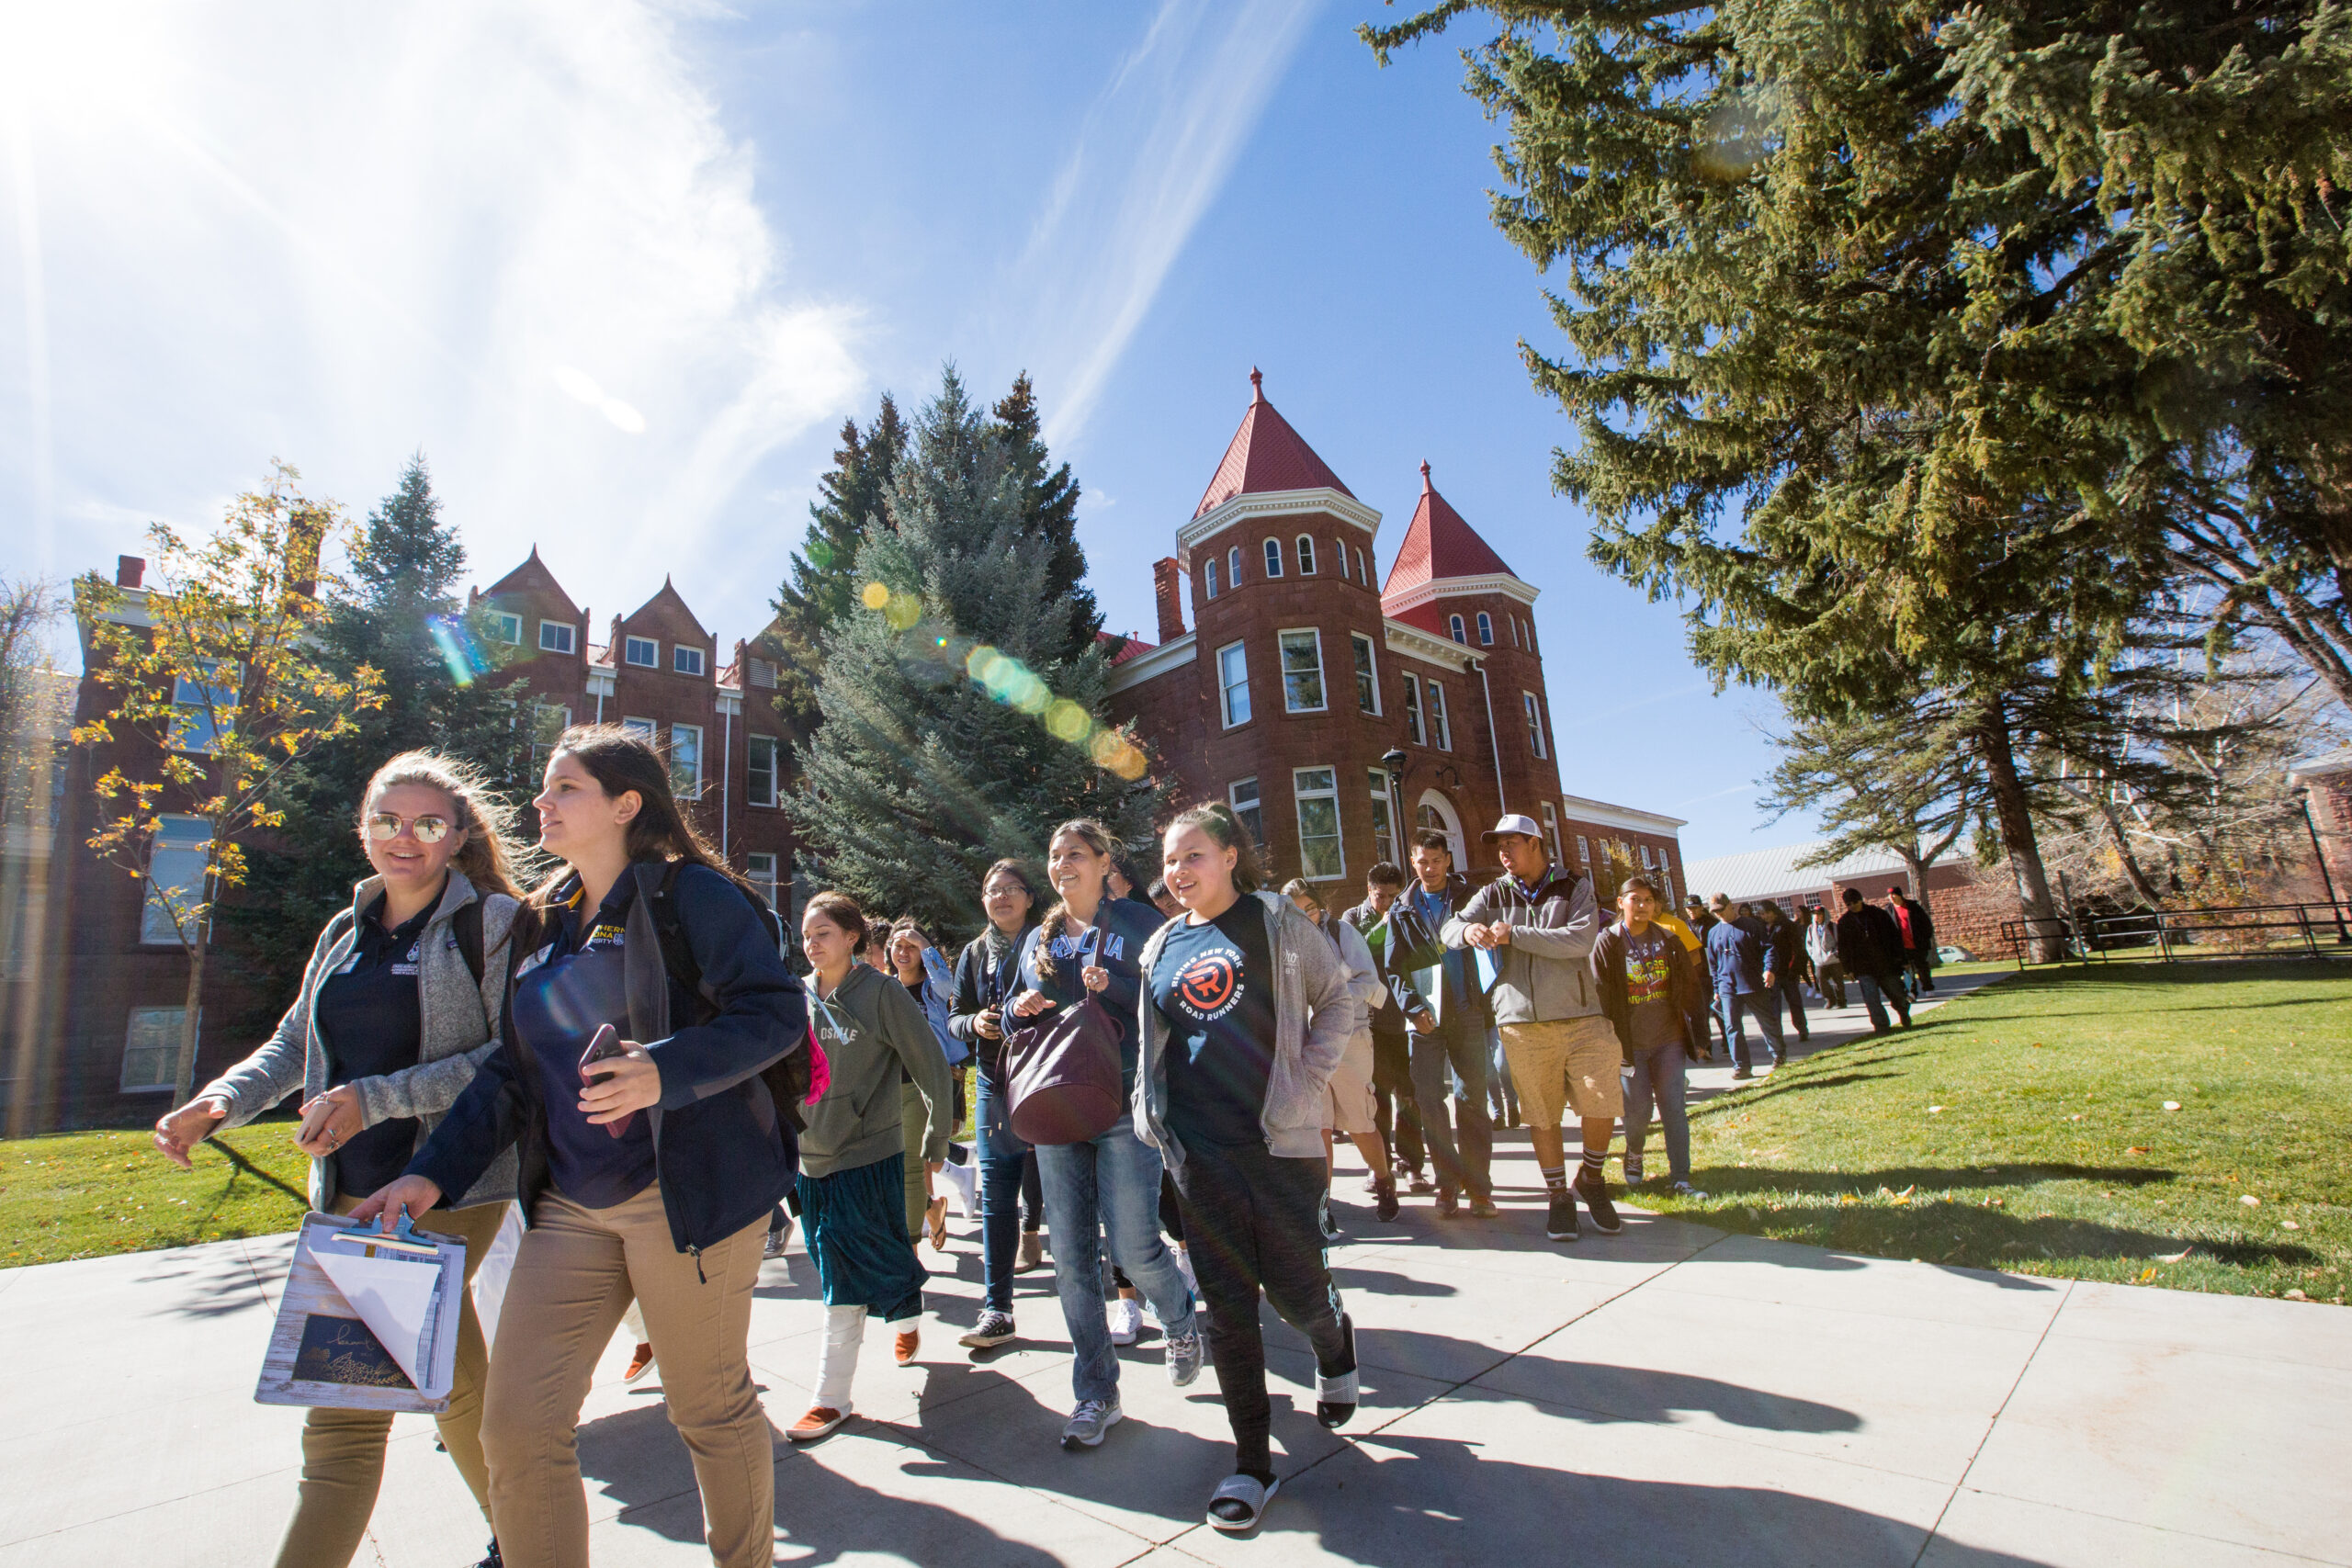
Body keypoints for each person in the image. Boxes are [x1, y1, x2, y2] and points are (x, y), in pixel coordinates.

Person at [354, 726, 805, 1568]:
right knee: (516, 1425)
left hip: (682, 1201)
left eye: (564, 788)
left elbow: (776, 1015)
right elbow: (511, 1073)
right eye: (545, 788)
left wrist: (660, 1072)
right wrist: (428, 1174)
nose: (541, 802)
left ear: (625, 805)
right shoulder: (543, 920)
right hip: (569, 1206)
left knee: (709, 1410)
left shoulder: (693, 897)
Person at [152, 753, 525, 1568]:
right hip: (349, 1190)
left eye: (428, 823)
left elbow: (512, 1059)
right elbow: (295, 1043)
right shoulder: (344, 928)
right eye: (388, 819)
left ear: (458, 835)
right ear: (363, 826)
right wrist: (219, 1101)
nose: (405, 837)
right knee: (457, 1383)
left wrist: (374, 1097)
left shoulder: (490, 922)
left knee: (344, 1420)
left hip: (448, 1183)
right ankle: (531, 1536)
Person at [1137, 802, 1362, 1534]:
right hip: (1199, 1153)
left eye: (1193, 855)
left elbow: (1338, 1001)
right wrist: (1151, 1113)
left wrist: (1306, 1082)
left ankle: (1335, 1343)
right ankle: (1250, 1462)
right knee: (1228, 1308)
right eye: (1170, 860)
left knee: (1298, 1293)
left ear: (1230, 855)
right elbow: (1156, 1043)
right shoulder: (1161, 946)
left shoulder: (1276, 923)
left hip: (1278, 1146)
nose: (1178, 871)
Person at [1006, 819, 1202, 1450]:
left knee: (1136, 1245)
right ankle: (1096, 1390)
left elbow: (1173, 1000)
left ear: (1102, 861)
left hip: (1120, 1102)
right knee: (1070, 1257)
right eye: (1055, 854)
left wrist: (1114, 985)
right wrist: (1018, 1009)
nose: (1062, 864)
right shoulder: (1041, 936)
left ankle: (1179, 1317)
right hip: (1058, 1106)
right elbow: (1008, 1004)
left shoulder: (1139, 926)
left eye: (1075, 854)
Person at [786, 891, 952, 1440]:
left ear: (853, 937)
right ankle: (905, 1303)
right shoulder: (798, 995)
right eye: (806, 935)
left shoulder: (879, 992)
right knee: (839, 1258)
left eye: (823, 933)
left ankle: (830, 1398)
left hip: (866, 1152)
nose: (812, 944)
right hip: (810, 1156)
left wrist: (936, 1134)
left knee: (841, 1275)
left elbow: (929, 1061)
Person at [1446, 814, 1617, 1243]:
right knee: (1541, 1114)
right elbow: (1447, 929)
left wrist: (1514, 935)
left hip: (1582, 1017)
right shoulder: (1492, 892)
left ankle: (1592, 1178)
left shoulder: (1574, 887)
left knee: (1602, 1103)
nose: (1503, 854)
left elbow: (1581, 939)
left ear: (1536, 844)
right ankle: (1558, 1196)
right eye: (1498, 846)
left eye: (1512, 845)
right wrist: (1469, 931)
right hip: (1520, 1022)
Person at [946, 859, 1046, 1348]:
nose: (1001, 897)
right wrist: (973, 1025)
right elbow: (955, 1017)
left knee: (1069, 1189)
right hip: (993, 1080)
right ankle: (997, 1308)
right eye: (992, 890)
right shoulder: (974, 952)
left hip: (1048, 1078)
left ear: (1030, 897)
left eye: (1012, 888)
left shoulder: (1047, 941)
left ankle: (1110, 1295)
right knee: (999, 1193)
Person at [1282, 879, 1399, 1225]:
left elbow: (1368, 982)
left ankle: (1383, 1179)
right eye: (1296, 911)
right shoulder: (1284, 940)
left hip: (1350, 1038)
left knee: (1360, 1122)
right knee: (1318, 1127)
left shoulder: (1342, 932)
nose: (1305, 917)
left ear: (1321, 906)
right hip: (1306, 1043)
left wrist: (1326, 995)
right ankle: (1324, 1206)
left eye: (1311, 908)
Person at [1392, 830, 1496, 1217]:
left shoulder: (1470, 899)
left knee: (1472, 1100)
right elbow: (1394, 967)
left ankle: (1480, 1188)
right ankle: (1447, 1184)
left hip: (1467, 1012)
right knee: (1430, 1103)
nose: (1430, 868)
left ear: (1448, 860)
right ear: (1413, 862)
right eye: (1422, 861)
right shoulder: (1402, 908)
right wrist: (1412, 1008)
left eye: (1436, 860)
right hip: (1425, 1020)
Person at [1592, 877, 1708, 1196]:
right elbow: (1599, 992)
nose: (1642, 906)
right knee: (1637, 1111)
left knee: (1673, 1107)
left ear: (1655, 905)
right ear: (1621, 903)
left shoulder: (1670, 940)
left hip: (1668, 1040)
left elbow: (1690, 989)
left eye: (1648, 900)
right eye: (1635, 899)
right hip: (1630, 1046)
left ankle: (1681, 1176)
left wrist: (1701, 1035)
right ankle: (1635, 1151)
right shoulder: (1608, 941)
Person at [1341, 863, 1427, 1196]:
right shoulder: (1350, 920)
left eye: (1394, 896)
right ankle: (1380, 1169)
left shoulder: (1407, 914)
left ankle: (1412, 1166)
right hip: (1370, 1025)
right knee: (1375, 1099)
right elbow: (1357, 955)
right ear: (1368, 890)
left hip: (1402, 1020)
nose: (1388, 903)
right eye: (1381, 896)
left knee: (1409, 1097)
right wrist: (1384, 925)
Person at [888, 917, 966, 1252]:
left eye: (911, 947)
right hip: (889, 1083)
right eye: (898, 945)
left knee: (916, 1163)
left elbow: (949, 987)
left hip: (925, 1082)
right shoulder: (885, 985)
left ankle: (912, 1246)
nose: (904, 952)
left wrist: (924, 943)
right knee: (910, 1164)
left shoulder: (932, 990)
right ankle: (931, 1210)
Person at [1704, 894, 1787, 1078]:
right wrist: (1717, 989)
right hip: (1727, 986)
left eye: (1721, 909)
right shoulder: (1714, 932)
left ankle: (1778, 1055)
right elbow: (1713, 964)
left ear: (1730, 905)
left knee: (1767, 1021)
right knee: (1732, 1026)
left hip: (1752, 983)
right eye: (1715, 911)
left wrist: (1769, 970)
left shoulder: (1752, 925)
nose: (1719, 914)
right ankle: (1741, 1066)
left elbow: (1768, 949)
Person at [1838, 886, 1914, 1033]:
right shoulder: (1845, 922)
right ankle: (1881, 1026)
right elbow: (1843, 949)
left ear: (1861, 900)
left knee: (1897, 993)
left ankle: (1903, 1013)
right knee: (1871, 999)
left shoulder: (1878, 915)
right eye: (1848, 904)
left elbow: (1895, 937)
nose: (1852, 906)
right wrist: (1848, 969)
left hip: (1886, 963)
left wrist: (1903, 959)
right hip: (1863, 968)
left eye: (1854, 902)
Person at [1756, 900, 1812, 1043]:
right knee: (1774, 1005)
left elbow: (1797, 949)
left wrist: (1794, 969)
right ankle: (1777, 1034)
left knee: (1794, 1001)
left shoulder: (1788, 926)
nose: (1765, 916)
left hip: (1788, 971)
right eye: (1762, 914)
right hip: (1771, 974)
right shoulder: (1760, 929)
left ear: (1774, 911)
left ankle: (1802, 1029)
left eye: (1767, 913)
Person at [1682, 895, 1728, 1054]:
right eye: (1689, 908)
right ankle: (1706, 1044)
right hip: (1697, 973)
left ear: (1701, 907)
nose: (1692, 911)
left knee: (1719, 1007)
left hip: (1714, 971)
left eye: (1695, 907)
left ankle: (1727, 1040)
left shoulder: (1711, 924)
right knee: (1701, 1010)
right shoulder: (1685, 926)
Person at [1885, 884, 1939, 996]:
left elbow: (1926, 924)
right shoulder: (1888, 910)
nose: (1891, 897)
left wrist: (1925, 937)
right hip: (1902, 947)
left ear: (1899, 895)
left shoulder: (1913, 907)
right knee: (1908, 971)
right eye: (1890, 895)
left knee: (1922, 968)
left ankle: (1928, 988)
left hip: (1918, 944)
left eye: (1893, 894)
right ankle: (1912, 992)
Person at [1803, 904, 1847, 1009]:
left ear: (1824, 915)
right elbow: (1808, 943)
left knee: (1838, 982)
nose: (1816, 916)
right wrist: (1813, 954)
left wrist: (1835, 952)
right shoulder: (1811, 928)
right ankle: (1830, 1000)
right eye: (1814, 914)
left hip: (1833, 959)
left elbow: (1839, 942)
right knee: (1820, 980)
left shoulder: (1833, 926)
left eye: (1819, 914)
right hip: (1819, 960)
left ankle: (1841, 1001)